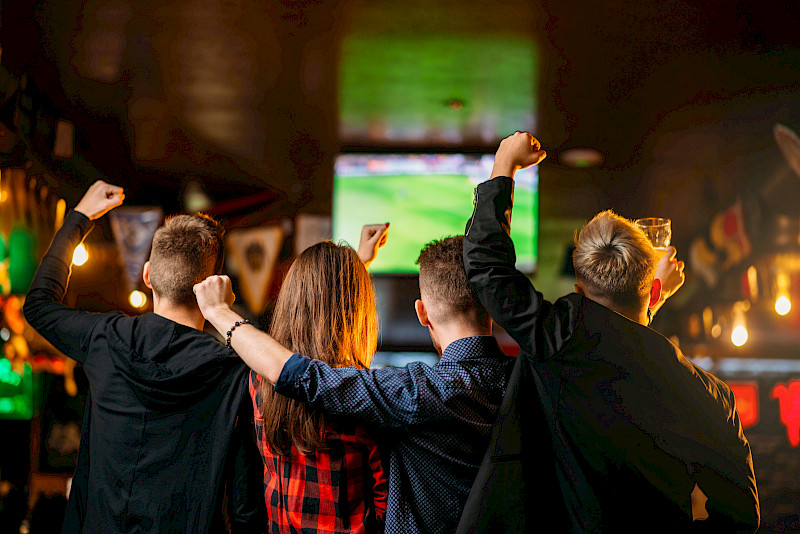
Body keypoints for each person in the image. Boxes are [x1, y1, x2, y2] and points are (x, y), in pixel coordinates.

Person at [456, 132, 760, 533]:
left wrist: (503, 167)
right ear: (653, 290)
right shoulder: (711, 396)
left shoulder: (554, 338)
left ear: (579, 288)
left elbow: (487, 267)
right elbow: (740, 518)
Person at [193, 234, 515, 534]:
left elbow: (297, 372)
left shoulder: (258, 381)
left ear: (422, 312)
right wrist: (350, 277)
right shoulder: (519, 378)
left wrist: (219, 312)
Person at [23, 181, 263, 533]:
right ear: (214, 285)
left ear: (147, 275)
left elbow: (39, 305)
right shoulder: (234, 371)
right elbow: (244, 503)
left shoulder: (104, 338)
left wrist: (80, 218)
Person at [249, 239, 388, 533]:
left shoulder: (259, 379)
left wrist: (355, 265)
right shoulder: (362, 392)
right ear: (358, 309)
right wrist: (351, 276)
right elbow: (385, 502)